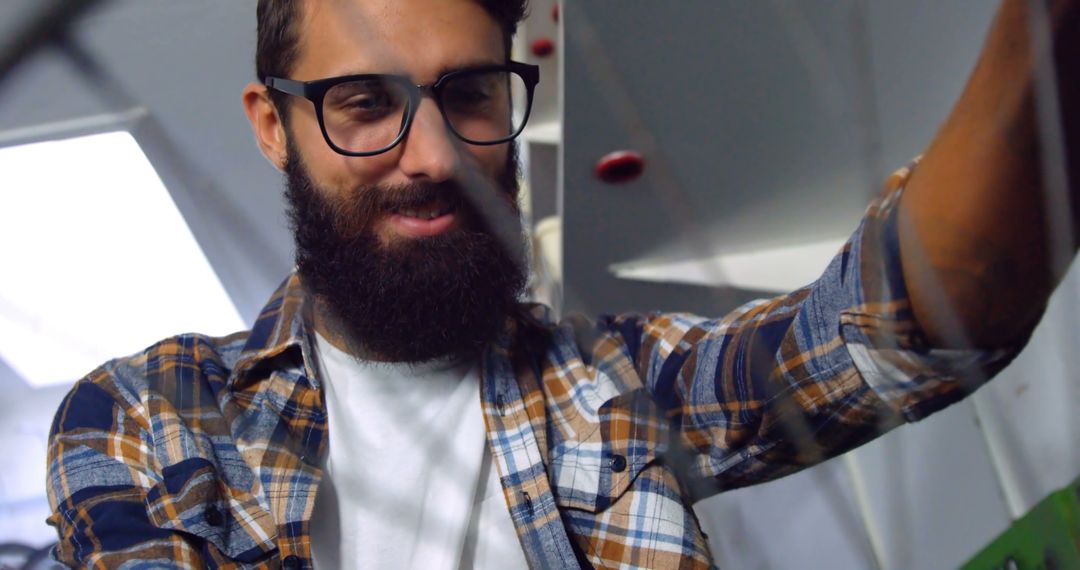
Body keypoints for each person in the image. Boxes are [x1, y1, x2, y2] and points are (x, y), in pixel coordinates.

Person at [45, 0, 1078, 568]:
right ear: (274, 127)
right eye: (365, 104)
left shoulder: (617, 381)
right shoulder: (149, 414)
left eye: (470, 93)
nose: (435, 155)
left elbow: (908, 326)